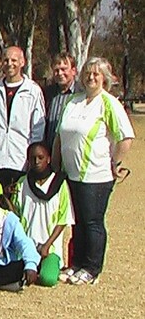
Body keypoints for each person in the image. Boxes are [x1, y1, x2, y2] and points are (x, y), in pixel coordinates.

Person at [53, 57, 134, 285]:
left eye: (96, 74)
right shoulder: (74, 102)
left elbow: (125, 137)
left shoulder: (109, 103)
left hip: (96, 176)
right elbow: (60, 135)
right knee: (76, 221)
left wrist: (114, 163)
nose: (91, 77)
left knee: (92, 222)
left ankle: (92, 267)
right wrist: (56, 164)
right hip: (72, 175)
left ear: (104, 78)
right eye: (88, 73)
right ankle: (76, 263)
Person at [13, 143, 74, 287]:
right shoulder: (22, 183)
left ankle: (45, 266)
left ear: (48, 159)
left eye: (41, 157)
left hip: (49, 248)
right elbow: (14, 215)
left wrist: (47, 245)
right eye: (32, 158)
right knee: (15, 275)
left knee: (48, 279)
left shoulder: (60, 184)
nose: (36, 162)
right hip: (26, 246)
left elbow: (63, 219)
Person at [0, 46, 46, 191]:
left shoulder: (33, 90)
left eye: (14, 60)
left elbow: (38, 128)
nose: (9, 64)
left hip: (20, 161)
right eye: (6, 60)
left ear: (22, 62)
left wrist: (31, 159)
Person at [43, 52, 81, 149]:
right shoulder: (47, 93)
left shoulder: (82, 93)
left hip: (72, 151)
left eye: (64, 69)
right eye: (56, 70)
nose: (60, 73)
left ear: (73, 71)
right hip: (49, 151)